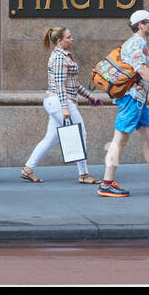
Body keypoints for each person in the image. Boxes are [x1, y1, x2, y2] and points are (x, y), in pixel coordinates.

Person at [97, 10, 149, 197]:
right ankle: (106, 183)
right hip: (132, 99)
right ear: (140, 25)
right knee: (119, 140)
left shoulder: (138, 42)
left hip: (139, 99)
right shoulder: (137, 43)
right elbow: (142, 70)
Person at [21, 26, 103, 184]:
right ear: (59, 41)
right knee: (80, 134)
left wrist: (90, 97)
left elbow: (73, 84)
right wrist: (65, 107)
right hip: (60, 101)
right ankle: (84, 174)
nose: (71, 39)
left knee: (51, 138)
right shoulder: (59, 57)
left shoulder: (65, 56)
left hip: (56, 102)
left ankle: (28, 169)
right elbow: (60, 85)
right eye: (68, 37)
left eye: (71, 36)